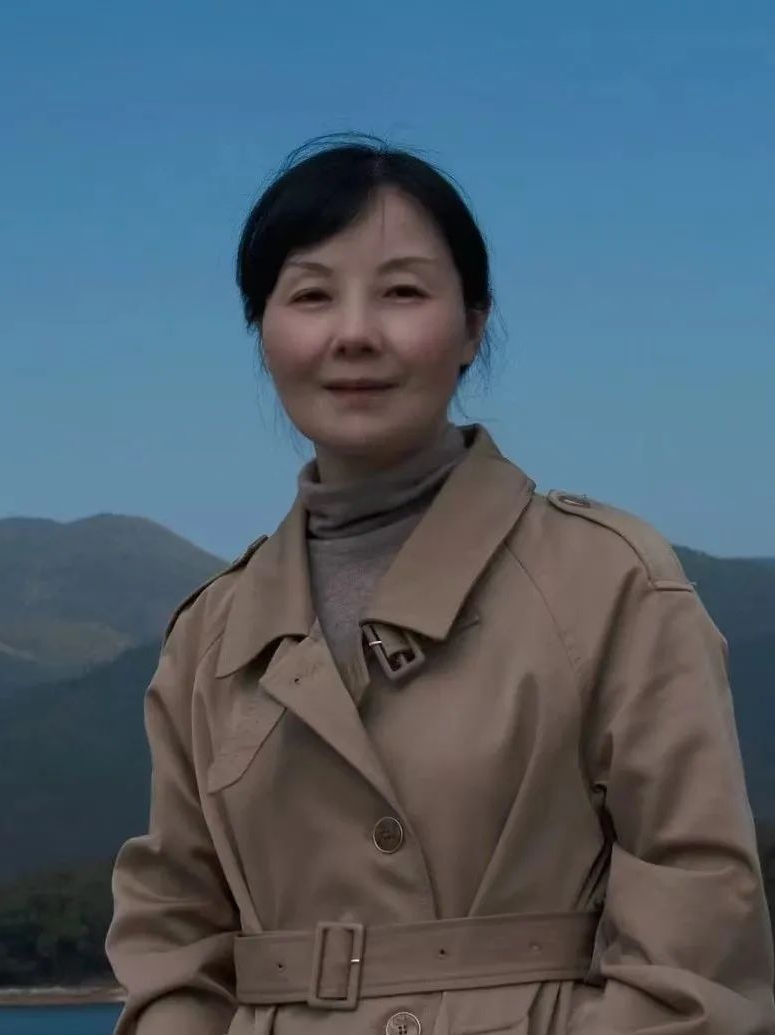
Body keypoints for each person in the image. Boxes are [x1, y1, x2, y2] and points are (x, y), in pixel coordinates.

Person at [105, 135, 775, 1034]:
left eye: (403, 292)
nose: (354, 333)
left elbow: (699, 938)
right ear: (263, 333)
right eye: (311, 295)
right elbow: (173, 936)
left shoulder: (608, 581)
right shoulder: (211, 636)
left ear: (472, 326)